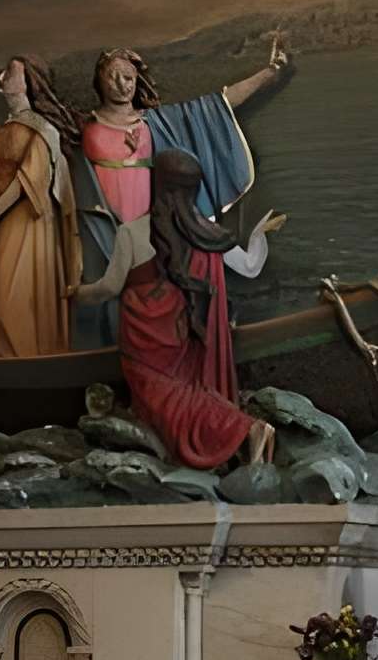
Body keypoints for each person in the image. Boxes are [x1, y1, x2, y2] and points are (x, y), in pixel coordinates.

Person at [70, 34, 289, 370]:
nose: (120, 83)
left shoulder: (153, 122)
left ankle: (192, 352)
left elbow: (218, 104)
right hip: (107, 227)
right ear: (98, 81)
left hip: (156, 220)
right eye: (111, 76)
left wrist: (267, 73)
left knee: (175, 289)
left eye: (127, 76)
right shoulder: (87, 125)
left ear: (137, 80)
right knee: (119, 294)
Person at [72, 147, 281, 470]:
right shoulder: (208, 233)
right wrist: (258, 235)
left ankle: (244, 429)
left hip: (146, 337)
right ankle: (242, 431)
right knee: (185, 392)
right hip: (193, 332)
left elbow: (108, 288)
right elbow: (251, 266)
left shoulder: (131, 231)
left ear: (156, 182)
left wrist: (73, 293)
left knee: (163, 395)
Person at [0, 56, 81, 357]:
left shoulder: (42, 130)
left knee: (16, 295)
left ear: (28, 83)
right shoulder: (3, 130)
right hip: (3, 223)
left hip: (29, 222)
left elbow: (29, 179)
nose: (1, 76)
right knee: (2, 295)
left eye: (10, 72)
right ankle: (4, 357)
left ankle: (25, 356)